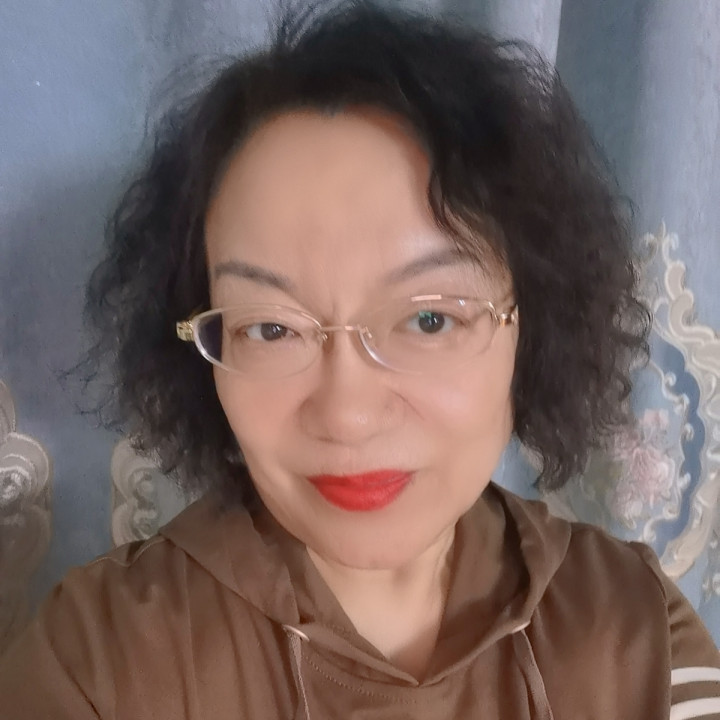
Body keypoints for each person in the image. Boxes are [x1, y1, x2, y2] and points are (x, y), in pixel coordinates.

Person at [2, 1, 718, 717]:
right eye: (271, 329)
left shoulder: (639, 632)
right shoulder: (97, 663)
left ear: (531, 329)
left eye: (428, 319)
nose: (347, 414)